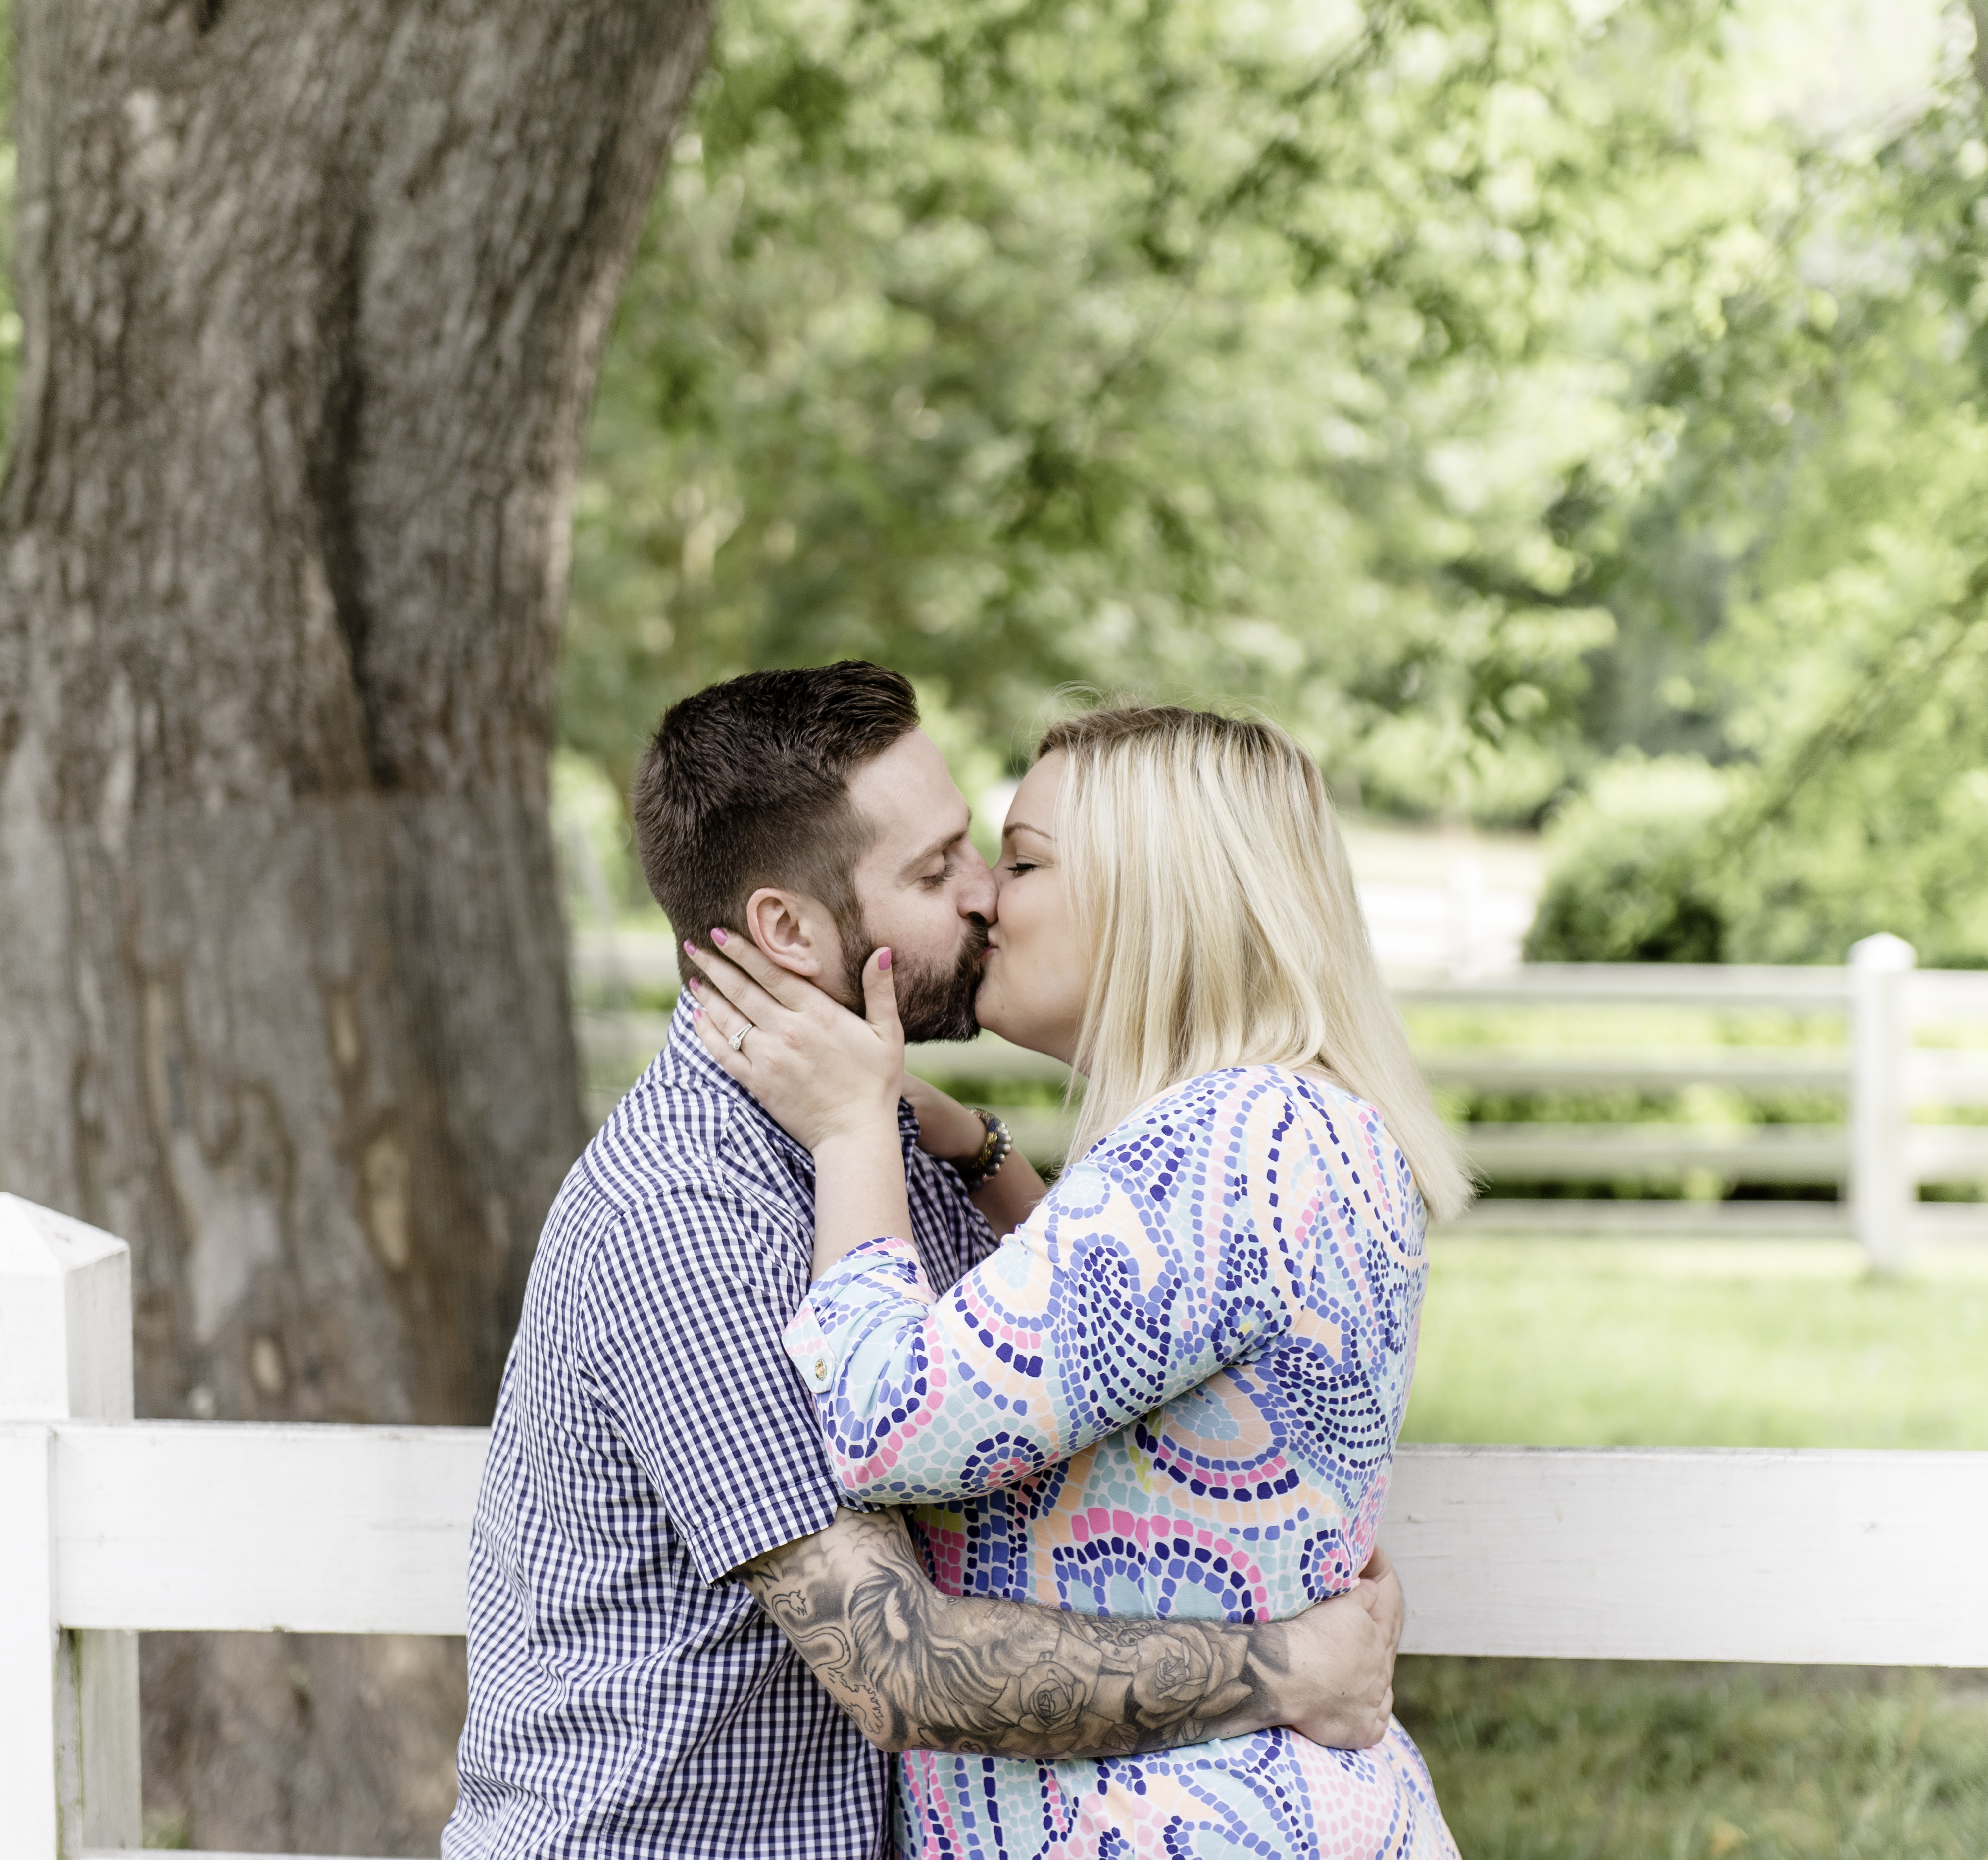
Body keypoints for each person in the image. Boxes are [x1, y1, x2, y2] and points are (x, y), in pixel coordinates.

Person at [445, 666, 1408, 1860]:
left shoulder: (878, 1135)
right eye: (936, 867)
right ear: (788, 931)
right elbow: (898, 1663)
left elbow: (1116, 1344)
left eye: (989, 854)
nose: (982, 896)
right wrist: (1291, 1664)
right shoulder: (685, 1214)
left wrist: (974, 1151)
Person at [683, 702, 1473, 1859]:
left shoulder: (1227, 1143)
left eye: (1022, 861)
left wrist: (853, 1129)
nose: (984, 900)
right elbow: (1122, 1348)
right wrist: (985, 1157)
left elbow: (888, 1420)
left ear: (1157, 894)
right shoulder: (1286, 1128)